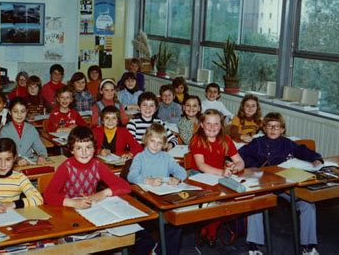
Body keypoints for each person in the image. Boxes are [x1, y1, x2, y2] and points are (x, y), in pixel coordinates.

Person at [239, 112, 322, 255]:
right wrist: (256, 166)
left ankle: (308, 247)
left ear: (282, 129)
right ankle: (254, 246)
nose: (272, 130)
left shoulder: (287, 143)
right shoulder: (257, 142)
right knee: (255, 203)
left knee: (308, 203)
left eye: (277, 127)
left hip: (284, 186)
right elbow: (240, 154)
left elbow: (302, 150)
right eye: (269, 126)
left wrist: (317, 158)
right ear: (264, 128)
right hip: (263, 185)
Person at [128, 123, 187, 255]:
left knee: (177, 223)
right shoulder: (140, 157)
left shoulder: (166, 157)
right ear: (145, 140)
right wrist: (147, 180)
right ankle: (152, 247)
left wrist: (177, 179)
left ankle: (161, 251)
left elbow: (181, 171)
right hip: (145, 200)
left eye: (159, 143)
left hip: (163, 199)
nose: (155, 145)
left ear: (164, 144)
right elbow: (131, 176)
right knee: (143, 232)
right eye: (152, 141)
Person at [189, 109, 245, 246]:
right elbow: (201, 165)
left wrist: (235, 167)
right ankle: (208, 230)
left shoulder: (226, 139)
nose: (213, 127)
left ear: (221, 125)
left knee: (230, 199)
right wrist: (221, 172)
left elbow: (240, 161)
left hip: (218, 176)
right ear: (202, 124)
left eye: (216, 124)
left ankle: (210, 229)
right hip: (199, 176)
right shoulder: (197, 139)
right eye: (208, 123)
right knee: (213, 200)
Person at [43, 126, 130, 208]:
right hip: (68, 208)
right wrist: (74, 203)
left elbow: (125, 186)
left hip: (89, 208)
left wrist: (104, 193)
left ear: (94, 149)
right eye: (79, 148)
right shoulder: (66, 168)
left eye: (88, 147)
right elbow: (48, 196)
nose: (84, 152)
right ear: (71, 150)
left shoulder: (98, 166)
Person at [0, 97, 47, 166]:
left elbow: (40, 148)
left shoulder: (31, 129)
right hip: (10, 165)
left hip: (28, 164)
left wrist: (42, 156)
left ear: (27, 112)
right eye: (15, 111)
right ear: (10, 112)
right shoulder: (5, 131)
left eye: (23, 111)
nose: (19, 115)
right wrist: (17, 159)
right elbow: (4, 152)